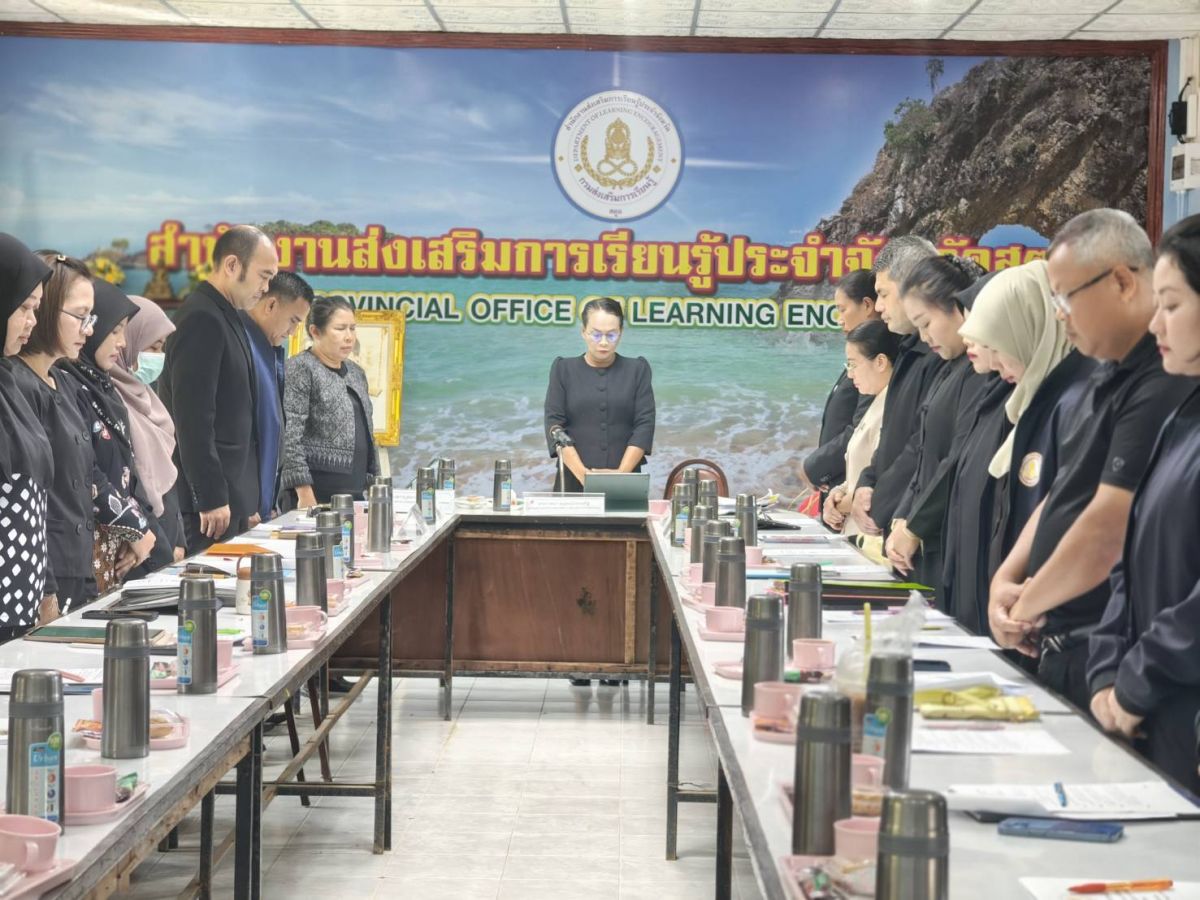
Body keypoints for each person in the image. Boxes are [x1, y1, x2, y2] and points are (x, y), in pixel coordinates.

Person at [992, 210, 1193, 711]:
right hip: (1079, 646)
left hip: (1118, 660)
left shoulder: (1164, 380)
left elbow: (1108, 531)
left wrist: (1024, 604)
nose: (1060, 315)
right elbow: (1065, 491)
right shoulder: (1102, 373)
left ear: (1122, 281)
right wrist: (1006, 580)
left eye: (1066, 298)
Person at [1086, 214, 1200, 794]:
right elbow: (1129, 563)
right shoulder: (1181, 420)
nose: (1156, 323)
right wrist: (1107, 673)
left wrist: (1134, 683)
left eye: (1172, 305)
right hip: (1146, 718)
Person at [11, 254, 152, 617]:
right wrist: (45, 588)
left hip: (78, 562)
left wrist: (135, 527)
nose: (89, 331)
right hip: (40, 572)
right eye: (80, 316)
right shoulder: (17, 386)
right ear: (47, 310)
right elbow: (28, 494)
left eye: (91, 319)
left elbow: (89, 474)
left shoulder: (66, 382)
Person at [159, 225, 279, 551]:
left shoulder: (228, 314)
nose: (266, 288)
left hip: (232, 498)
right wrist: (210, 495)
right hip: (209, 508)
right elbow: (192, 418)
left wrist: (245, 499)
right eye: (263, 276)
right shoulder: (202, 317)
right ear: (232, 265)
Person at [882, 255, 990, 604]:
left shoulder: (980, 372)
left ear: (959, 308)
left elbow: (957, 457)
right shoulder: (948, 366)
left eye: (927, 323)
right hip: (924, 536)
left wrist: (915, 524)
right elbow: (923, 452)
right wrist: (902, 516)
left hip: (948, 536)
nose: (925, 336)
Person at [58, 280, 171, 589]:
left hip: (114, 554)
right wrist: (134, 528)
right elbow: (85, 469)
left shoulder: (102, 387)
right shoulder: (69, 386)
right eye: (115, 330)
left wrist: (138, 530)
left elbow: (127, 475)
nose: (121, 343)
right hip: (79, 555)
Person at [850, 236, 944, 537]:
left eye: (883, 294)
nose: (878, 307)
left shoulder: (939, 356)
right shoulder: (907, 349)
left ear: (913, 285)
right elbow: (891, 436)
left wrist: (881, 505)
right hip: (893, 523)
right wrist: (866, 482)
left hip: (913, 527)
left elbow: (922, 447)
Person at [544, 297, 655, 492]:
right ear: (583, 332)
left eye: (611, 335)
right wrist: (585, 476)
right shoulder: (563, 369)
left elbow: (644, 425)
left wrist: (621, 474)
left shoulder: (637, 369)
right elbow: (554, 425)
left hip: (626, 479)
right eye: (596, 335)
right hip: (573, 479)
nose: (603, 342)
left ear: (620, 333)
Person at [0, 233, 53, 640]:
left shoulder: (10, 381)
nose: (32, 321)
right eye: (24, 308)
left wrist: (43, 585)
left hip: (18, 601)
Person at [110, 296, 186, 565]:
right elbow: (132, 482)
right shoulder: (110, 400)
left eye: (161, 347)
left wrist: (179, 539)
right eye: (152, 346)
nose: (158, 356)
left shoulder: (147, 398)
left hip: (168, 536)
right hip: (143, 546)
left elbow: (168, 474)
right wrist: (163, 549)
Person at [282, 295, 379, 507]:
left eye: (352, 328)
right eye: (340, 329)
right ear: (315, 332)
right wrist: (304, 492)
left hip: (355, 491)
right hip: (315, 493)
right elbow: (289, 435)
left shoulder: (356, 373)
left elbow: (368, 432)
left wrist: (375, 482)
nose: (349, 337)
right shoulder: (300, 368)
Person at [821, 320, 899, 561]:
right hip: (855, 538)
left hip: (874, 543)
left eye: (853, 364)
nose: (850, 374)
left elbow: (882, 482)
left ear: (881, 362)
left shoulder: (893, 408)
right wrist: (835, 494)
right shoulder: (875, 401)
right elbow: (858, 470)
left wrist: (838, 505)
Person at [242, 272, 312, 520]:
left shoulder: (267, 350)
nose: (292, 332)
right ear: (271, 305)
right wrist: (242, 502)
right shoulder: (241, 346)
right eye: (293, 321)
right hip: (239, 505)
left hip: (261, 504)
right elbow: (233, 434)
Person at [803, 270, 879, 497]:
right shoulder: (863, 351)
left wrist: (815, 467)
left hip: (853, 485)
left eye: (843, 309)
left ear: (867, 305)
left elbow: (861, 427)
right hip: (839, 481)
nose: (839, 318)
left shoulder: (877, 357)